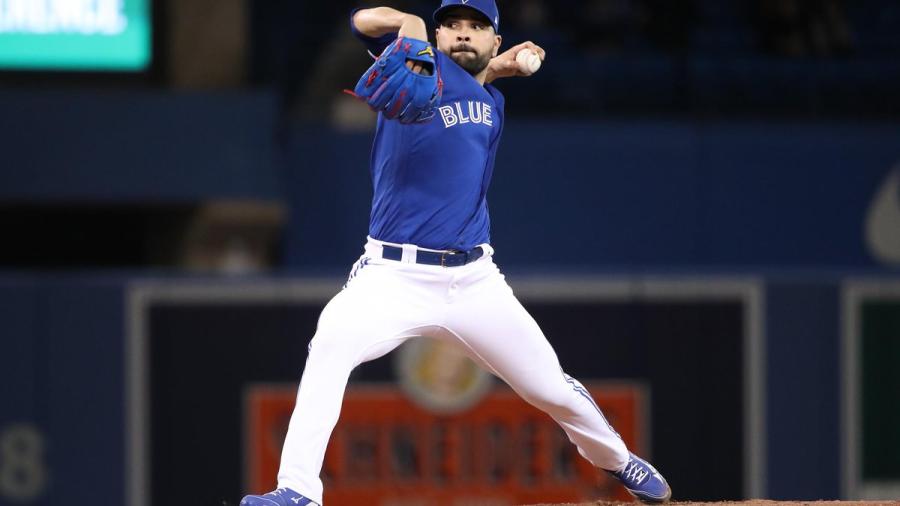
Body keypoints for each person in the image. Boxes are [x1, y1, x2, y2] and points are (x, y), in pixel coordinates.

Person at [241, 1, 672, 504]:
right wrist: (411, 25)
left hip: (474, 282)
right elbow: (361, 19)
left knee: (549, 388)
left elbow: (466, 89)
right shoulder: (414, 61)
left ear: (495, 40)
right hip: (393, 275)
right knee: (330, 346)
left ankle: (619, 461)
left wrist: (496, 69)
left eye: (477, 27)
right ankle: (296, 491)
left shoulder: (491, 99)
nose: (462, 34)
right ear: (439, 36)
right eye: (452, 25)